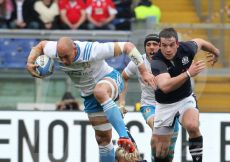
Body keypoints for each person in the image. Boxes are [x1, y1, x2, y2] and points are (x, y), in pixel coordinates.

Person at [26, 37, 156, 162]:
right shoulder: (54, 50)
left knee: (99, 91)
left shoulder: (92, 50)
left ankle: (124, 136)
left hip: (111, 79)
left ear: (75, 49)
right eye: (61, 57)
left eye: (66, 56)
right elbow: (41, 45)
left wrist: (144, 72)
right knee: (103, 141)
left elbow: (128, 46)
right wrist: (30, 62)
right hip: (90, 97)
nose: (63, 61)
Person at [150, 27, 220, 162]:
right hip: (164, 105)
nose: (168, 49)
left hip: (185, 99)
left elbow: (200, 42)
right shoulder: (157, 61)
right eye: (164, 45)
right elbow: (165, 87)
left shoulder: (186, 48)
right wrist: (188, 73)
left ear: (177, 44)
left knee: (192, 126)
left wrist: (215, 51)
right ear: (159, 45)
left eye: (171, 45)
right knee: (160, 152)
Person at [119, 34, 179, 162]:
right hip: (149, 105)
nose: (151, 47)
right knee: (158, 129)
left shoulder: (170, 60)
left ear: (161, 46)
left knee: (169, 149)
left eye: (155, 44)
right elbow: (123, 77)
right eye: (148, 44)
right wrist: (122, 102)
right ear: (145, 47)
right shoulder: (138, 61)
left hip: (169, 106)